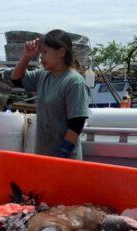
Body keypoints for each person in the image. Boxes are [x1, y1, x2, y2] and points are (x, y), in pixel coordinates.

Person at [11, 29, 90, 159]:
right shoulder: (43, 74)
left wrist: (61, 156)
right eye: (41, 52)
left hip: (65, 159)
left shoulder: (74, 82)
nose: (41, 57)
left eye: (45, 52)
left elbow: (77, 124)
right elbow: (16, 80)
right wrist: (27, 56)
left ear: (61, 52)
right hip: (44, 155)